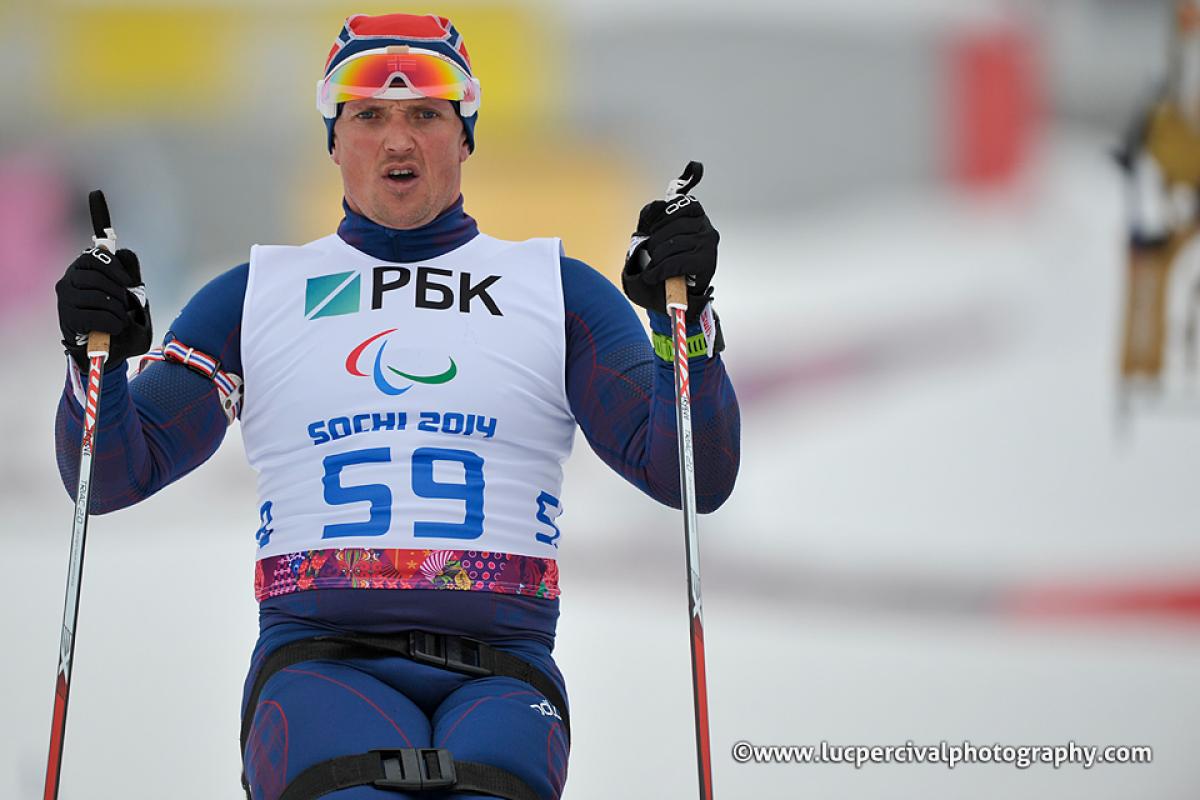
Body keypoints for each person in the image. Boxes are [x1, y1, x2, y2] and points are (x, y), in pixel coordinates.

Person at [54, 13, 739, 800]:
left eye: (426, 114)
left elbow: (695, 476)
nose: (398, 140)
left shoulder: (557, 292)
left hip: (505, 671)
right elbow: (109, 478)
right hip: (318, 661)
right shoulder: (256, 296)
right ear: (334, 139)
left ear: (466, 134)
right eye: (369, 115)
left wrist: (680, 329)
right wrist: (91, 360)